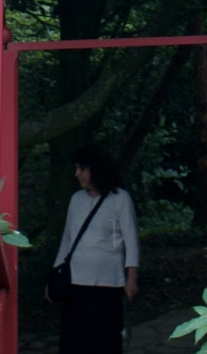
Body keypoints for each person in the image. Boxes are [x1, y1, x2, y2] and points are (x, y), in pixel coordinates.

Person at [51, 144, 139, 354]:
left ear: (96, 169)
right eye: (76, 169)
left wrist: (131, 279)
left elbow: (132, 242)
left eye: (82, 169)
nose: (77, 174)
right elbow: (66, 241)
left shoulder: (120, 199)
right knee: (74, 341)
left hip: (108, 283)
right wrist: (55, 275)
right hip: (75, 283)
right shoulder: (76, 200)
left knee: (106, 340)